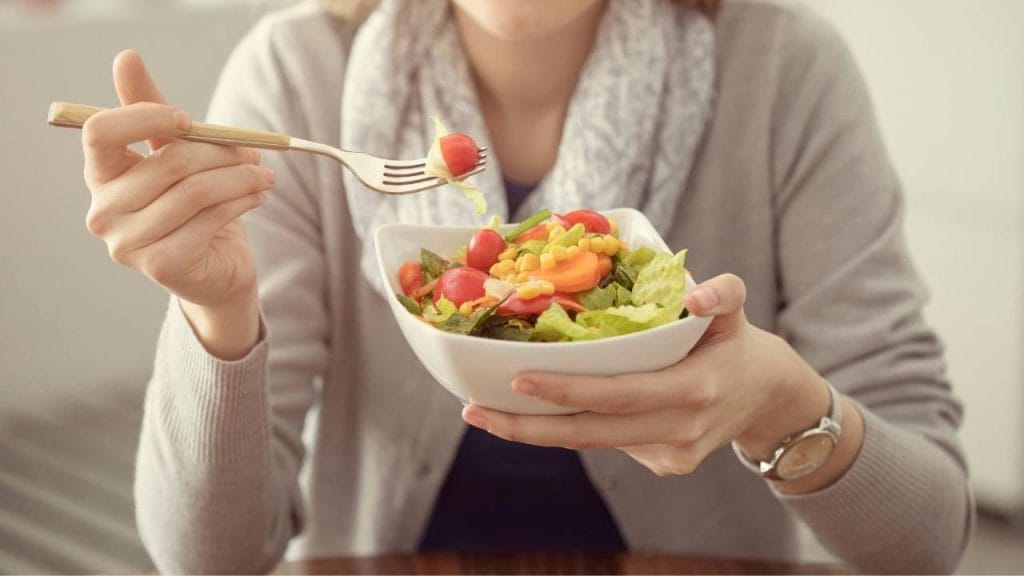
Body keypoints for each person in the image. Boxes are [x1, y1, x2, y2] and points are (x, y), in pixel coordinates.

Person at [76, 0, 973, 573]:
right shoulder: (295, 72)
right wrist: (217, 312)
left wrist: (780, 403)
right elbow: (209, 559)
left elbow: (929, 539)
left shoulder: (785, 69)